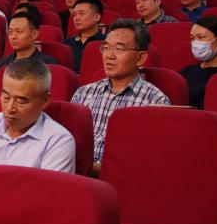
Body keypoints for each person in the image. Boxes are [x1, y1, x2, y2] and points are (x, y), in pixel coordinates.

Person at [0, 59, 75, 209]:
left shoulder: (58, 141)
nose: (10, 108)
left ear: (45, 100)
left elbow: (47, 203)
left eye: (21, 101)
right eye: (6, 97)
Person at [70, 19, 170, 168]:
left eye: (119, 49)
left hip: (121, 176)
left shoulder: (155, 101)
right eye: (106, 48)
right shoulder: (83, 93)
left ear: (141, 58)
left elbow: (150, 158)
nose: (109, 56)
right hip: (78, 174)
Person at [0, 13, 56, 94]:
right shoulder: (1, 64)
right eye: (10, 32)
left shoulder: (47, 64)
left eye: (18, 31)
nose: (13, 37)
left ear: (34, 34)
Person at [63, 0, 105, 72]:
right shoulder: (66, 44)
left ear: (97, 17)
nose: (76, 18)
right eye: (74, 15)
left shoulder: (106, 43)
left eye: (81, 13)